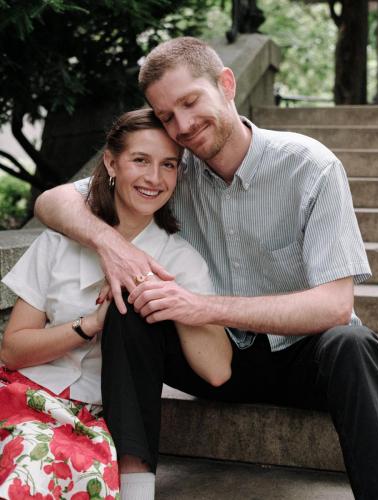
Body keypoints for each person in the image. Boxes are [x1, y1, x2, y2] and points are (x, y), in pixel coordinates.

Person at [35, 37, 378, 500]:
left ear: (226, 84)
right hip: (216, 360)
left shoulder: (311, 167)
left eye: (190, 102)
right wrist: (112, 246)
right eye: (167, 116)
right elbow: (51, 201)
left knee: (355, 343)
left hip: (307, 359)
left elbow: (334, 305)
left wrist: (200, 306)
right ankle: (134, 490)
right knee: (130, 304)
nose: (182, 126)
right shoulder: (173, 173)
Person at [1, 108, 232, 500]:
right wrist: (89, 325)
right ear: (111, 162)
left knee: (30, 471)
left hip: (93, 419)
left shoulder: (181, 263)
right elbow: (12, 349)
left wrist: (166, 300)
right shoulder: (58, 242)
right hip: (20, 396)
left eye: (168, 165)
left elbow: (216, 371)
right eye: (140, 160)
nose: (154, 178)